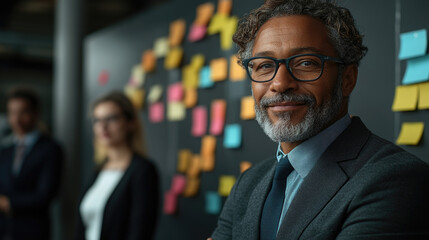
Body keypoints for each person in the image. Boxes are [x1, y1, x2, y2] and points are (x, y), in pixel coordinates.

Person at [210, 0, 429, 239]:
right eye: (263, 65)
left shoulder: (396, 179)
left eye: (306, 63)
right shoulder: (249, 183)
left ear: (347, 79)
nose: (280, 84)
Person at [75, 91, 159, 240]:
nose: (103, 126)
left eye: (112, 118)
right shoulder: (99, 169)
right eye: (97, 120)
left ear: (130, 123)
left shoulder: (143, 170)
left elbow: (140, 232)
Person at [0, 88, 63, 240]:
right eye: (12, 113)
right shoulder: (5, 150)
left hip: (32, 231)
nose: (17, 119)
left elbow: (45, 195)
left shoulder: (50, 149)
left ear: (36, 113)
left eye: (23, 112)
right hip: (4, 230)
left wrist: (8, 203)